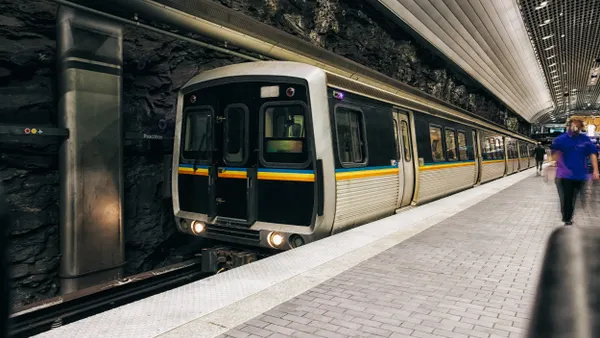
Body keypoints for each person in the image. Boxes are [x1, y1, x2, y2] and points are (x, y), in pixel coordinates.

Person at [549, 118, 599, 225]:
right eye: (574, 125)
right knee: (566, 197)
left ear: (581, 127)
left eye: (578, 126)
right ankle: (567, 218)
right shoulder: (560, 140)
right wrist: (555, 160)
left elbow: (592, 154)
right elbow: (554, 155)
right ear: (569, 125)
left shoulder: (585, 139)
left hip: (579, 175)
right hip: (564, 175)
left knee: (573, 197)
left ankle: (569, 215)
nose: (576, 128)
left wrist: (596, 170)